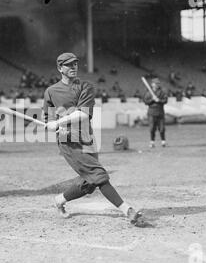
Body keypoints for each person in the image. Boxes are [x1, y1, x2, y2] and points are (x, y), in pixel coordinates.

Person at [43, 52, 145, 227]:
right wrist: (51, 124)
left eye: (75, 63)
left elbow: (83, 114)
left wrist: (58, 121)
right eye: (68, 65)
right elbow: (48, 117)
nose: (73, 67)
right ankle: (127, 210)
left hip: (87, 137)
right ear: (60, 68)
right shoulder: (51, 92)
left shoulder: (86, 87)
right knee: (98, 175)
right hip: (68, 142)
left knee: (89, 182)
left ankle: (60, 199)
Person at [143, 77, 168, 148]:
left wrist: (159, 100)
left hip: (160, 113)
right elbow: (145, 102)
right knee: (152, 128)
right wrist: (152, 100)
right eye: (156, 83)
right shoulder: (148, 93)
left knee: (162, 128)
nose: (157, 85)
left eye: (158, 83)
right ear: (152, 84)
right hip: (151, 113)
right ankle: (152, 142)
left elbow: (165, 100)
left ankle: (163, 142)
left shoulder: (162, 92)